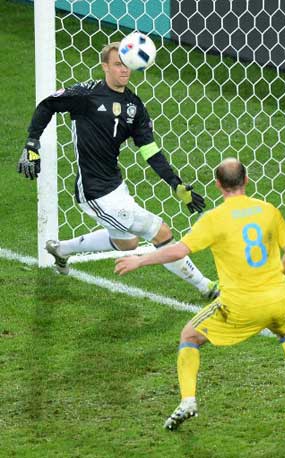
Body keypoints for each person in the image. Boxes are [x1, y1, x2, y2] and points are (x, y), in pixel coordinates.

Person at [114, 158, 285, 430]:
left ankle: (188, 401)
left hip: (239, 305)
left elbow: (179, 251)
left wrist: (139, 260)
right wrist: (276, 277)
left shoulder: (214, 219)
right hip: (277, 298)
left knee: (189, 335)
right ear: (246, 180)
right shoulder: (268, 210)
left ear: (217, 185)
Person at [17, 42, 218, 299]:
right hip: (94, 190)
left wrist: (175, 184)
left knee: (128, 243)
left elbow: (149, 150)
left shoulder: (134, 106)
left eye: (127, 64)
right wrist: (32, 142)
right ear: (105, 67)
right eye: (117, 64)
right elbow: (47, 105)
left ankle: (61, 249)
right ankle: (206, 287)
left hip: (115, 185)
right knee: (161, 232)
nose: (124, 70)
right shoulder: (85, 95)